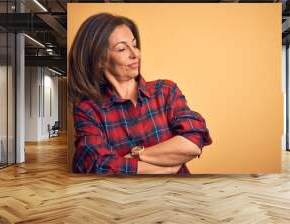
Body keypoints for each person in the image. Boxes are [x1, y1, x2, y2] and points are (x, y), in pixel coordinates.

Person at [68, 13, 212, 175]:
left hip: (177, 196)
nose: (135, 54)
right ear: (99, 60)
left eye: (134, 45)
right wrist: (166, 167)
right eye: (122, 48)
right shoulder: (88, 109)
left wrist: (137, 154)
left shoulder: (165, 91)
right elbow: (95, 164)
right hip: (123, 199)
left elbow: (193, 141)